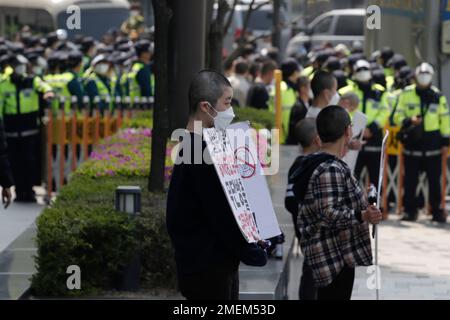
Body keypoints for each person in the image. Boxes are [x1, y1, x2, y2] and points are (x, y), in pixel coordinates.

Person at [166, 70, 268, 300]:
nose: (230, 110)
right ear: (205, 106)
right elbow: (221, 211)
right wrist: (248, 249)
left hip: (206, 263)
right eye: (227, 102)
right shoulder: (200, 150)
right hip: (208, 267)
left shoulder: (194, 145)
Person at [292, 105, 382, 300]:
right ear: (348, 131)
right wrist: (362, 214)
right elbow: (328, 214)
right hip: (332, 260)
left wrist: (361, 199)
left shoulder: (321, 162)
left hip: (333, 257)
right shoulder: (330, 168)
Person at [394, 63, 450, 223]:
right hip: (412, 145)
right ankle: (410, 211)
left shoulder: (438, 96)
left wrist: (446, 142)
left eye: (427, 74)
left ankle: (437, 211)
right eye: (421, 74)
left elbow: (445, 119)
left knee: (435, 182)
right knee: (410, 181)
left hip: (433, 146)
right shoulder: (406, 94)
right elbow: (397, 116)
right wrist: (408, 120)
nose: (424, 76)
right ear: (415, 76)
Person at [0, 55, 53, 202]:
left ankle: (29, 190)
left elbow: (44, 86)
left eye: (22, 65)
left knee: (30, 161)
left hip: (30, 129)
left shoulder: (32, 80)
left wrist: (48, 92)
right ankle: (19, 190)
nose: (20, 68)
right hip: (11, 131)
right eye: (17, 65)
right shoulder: (4, 84)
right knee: (14, 162)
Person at [285, 118, 321, 300]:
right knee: (311, 273)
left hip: (310, 231)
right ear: (317, 139)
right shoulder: (301, 166)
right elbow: (290, 201)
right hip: (310, 231)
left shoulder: (312, 163)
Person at [339, 59, 390, 187]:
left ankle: (374, 205)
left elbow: (384, 112)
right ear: (354, 73)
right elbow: (343, 110)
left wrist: (372, 128)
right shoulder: (346, 91)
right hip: (353, 138)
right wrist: (357, 128)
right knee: (351, 177)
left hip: (374, 139)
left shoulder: (380, 92)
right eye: (359, 70)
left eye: (365, 69)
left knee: (375, 180)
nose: (363, 73)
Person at [126, 39, 154, 107]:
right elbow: (147, 90)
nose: (151, 53)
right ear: (143, 53)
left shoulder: (135, 66)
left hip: (134, 104)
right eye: (149, 51)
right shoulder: (142, 68)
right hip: (144, 106)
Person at [285, 76, 311, 145]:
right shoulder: (298, 108)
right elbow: (295, 131)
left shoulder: (310, 103)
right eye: (309, 86)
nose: (311, 89)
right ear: (302, 89)